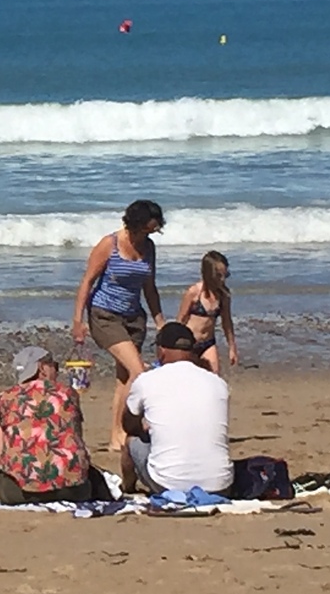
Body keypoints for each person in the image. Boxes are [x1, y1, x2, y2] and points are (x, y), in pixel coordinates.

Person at [72, 199, 166, 452]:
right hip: (105, 315)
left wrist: (160, 322)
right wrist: (78, 321)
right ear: (134, 224)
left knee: (125, 379)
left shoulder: (149, 247)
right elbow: (87, 282)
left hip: (134, 317)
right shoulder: (110, 244)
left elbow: (149, 287)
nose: (148, 235)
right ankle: (125, 430)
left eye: (153, 231)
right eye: (146, 229)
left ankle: (117, 435)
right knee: (138, 371)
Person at [0, 346, 106, 504]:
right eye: (55, 366)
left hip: (20, 493)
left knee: (5, 474)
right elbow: (76, 441)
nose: (57, 372)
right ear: (41, 368)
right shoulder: (68, 394)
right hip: (72, 491)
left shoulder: (5, 398)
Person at [120, 322, 231, 495]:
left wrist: (145, 427)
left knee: (131, 441)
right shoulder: (218, 383)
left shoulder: (147, 380)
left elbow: (128, 424)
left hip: (168, 484)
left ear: (161, 351)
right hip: (220, 485)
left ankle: (128, 488)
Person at [177, 250, 238, 374]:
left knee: (214, 375)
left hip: (208, 344)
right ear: (208, 274)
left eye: (225, 275)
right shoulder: (194, 292)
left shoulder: (223, 296)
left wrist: (232, 347)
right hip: (190, 344)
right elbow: (181, 320)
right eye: (218, 276)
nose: (222, 280)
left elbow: (227, 322)